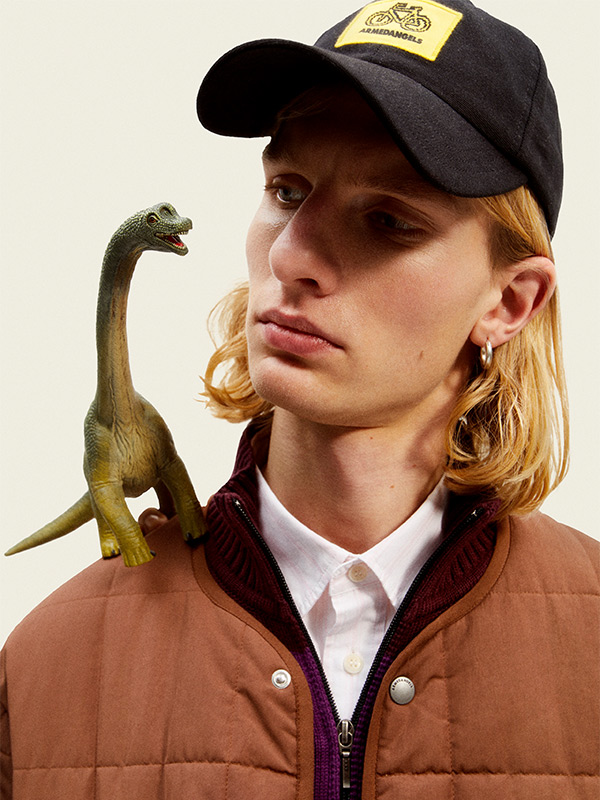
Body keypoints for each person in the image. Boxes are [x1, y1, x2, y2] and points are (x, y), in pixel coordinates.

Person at [1, 1, 598, 798]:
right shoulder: (44, 670)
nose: (289, 254)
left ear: (509, 302)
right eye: (287, 189)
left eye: (387, 220)